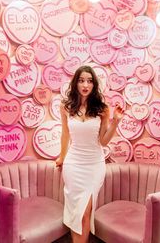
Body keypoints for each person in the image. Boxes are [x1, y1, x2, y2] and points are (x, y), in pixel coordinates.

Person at [56, 65, 123, 243]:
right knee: (75, 211)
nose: (85, 85)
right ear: (75, 83)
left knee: (85, 211)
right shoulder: (65, 106)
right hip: (73, 165)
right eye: (81, 80)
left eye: (90, 81)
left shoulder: (102, 108)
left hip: (94, 165)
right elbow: (65, 135)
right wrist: (62, 157)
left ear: (94, 85)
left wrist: (115, 122)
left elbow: (103, 141)